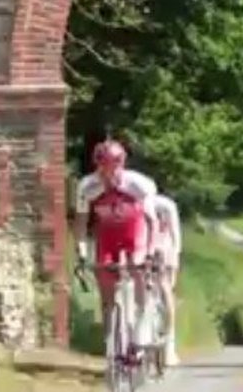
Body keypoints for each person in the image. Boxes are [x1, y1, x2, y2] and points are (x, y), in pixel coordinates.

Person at [74, 139, 159, 351]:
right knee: (104, 279)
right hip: (108, 235)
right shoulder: (87, 186)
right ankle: (111, 336)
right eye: (103, 170)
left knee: (137, 268)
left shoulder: (139, 184)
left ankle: (142, 321)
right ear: (97, 167)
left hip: (135, 230)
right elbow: (81, 223)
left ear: (122, 166)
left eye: (113, 170)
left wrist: (150, 252)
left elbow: (152, 221)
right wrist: (82, 253)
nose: (108, 176)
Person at [148, 192, 182, 366]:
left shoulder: (165, 205)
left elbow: (175, 236)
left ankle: (169, 341)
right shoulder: (132, 202)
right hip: (143, 248)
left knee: (164, 286)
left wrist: (174, 262)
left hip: (163, 249)